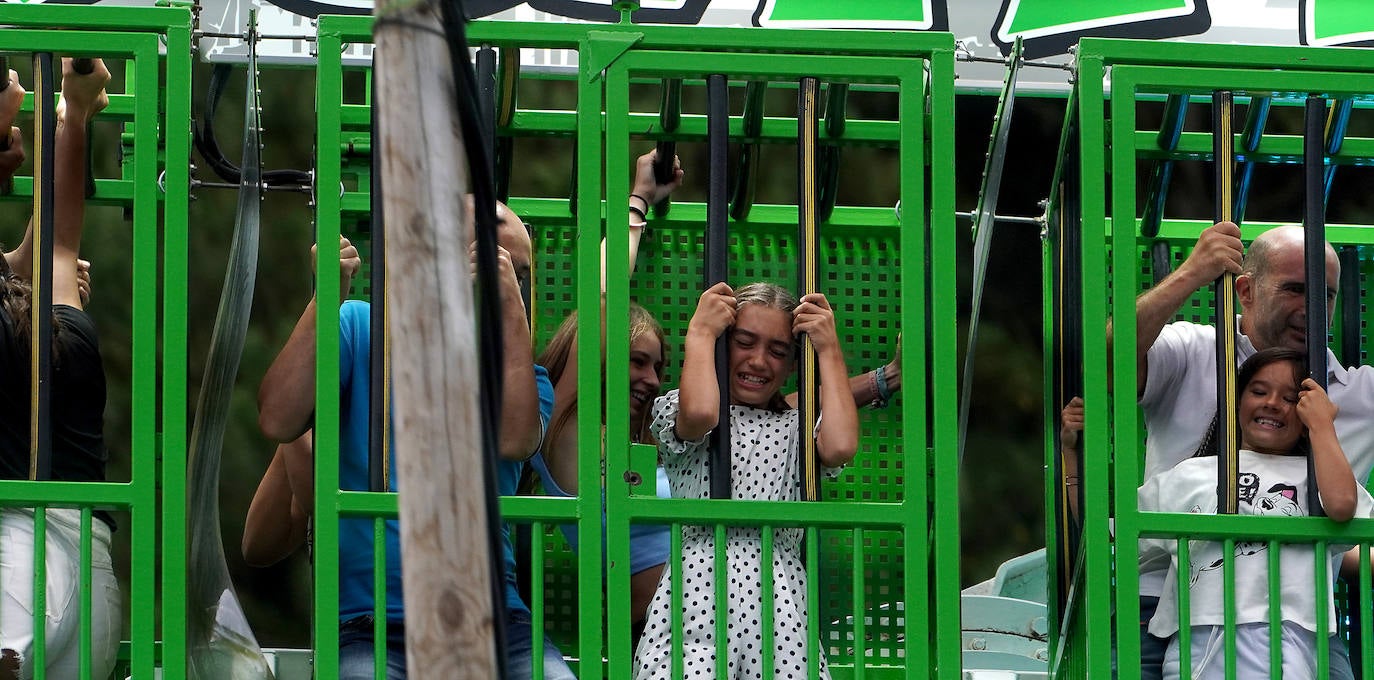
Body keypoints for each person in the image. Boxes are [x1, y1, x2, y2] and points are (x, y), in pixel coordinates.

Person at [250, 200, 574, 679]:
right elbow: (278, 419)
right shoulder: (360, 327)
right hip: (373, 619)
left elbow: (515, 439)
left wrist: (507, 311)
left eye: (518, 273)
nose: (507, 280)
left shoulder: (523, 377)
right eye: (492, 261)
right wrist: (325, 301)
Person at [1117, 222, 1374, 679]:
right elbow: (1103, 361)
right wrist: (1193, 273)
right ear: (1246, 291)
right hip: (1168, 602)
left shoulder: (1357, 392)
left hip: (1299, 612)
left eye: (1327, 295)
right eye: (1295, 289)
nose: (1312, 308)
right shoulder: (1194, 348)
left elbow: (1344, 522)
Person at [632, 281, 860, 680]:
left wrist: (829, 349)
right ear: (723, 345)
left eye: (777, 351)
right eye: (743, 342)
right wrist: (702, 333)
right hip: (698, 585)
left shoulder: (798, 428)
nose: (758, 361)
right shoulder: (686, 414)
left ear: (792, 365)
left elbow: (841, 447)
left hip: (779, 596)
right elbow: (702, 412)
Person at [1140, 348, 1369, 679]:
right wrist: (1073, 461)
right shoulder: (1191, 473)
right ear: (1236, 404)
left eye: (1291, 398)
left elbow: (1342, 506)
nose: (1272, 403)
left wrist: (1322, 427)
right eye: (1259, 391)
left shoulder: (1316, 476)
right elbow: (1109, 530)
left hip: (1286, 633)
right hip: (1196, 634)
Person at [0, 59, 118, 680]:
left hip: (60, 539)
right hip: (31, 533)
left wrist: (71, 116)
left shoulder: (18, 291)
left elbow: (55, 248)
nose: (20, 87)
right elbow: (54, 253)